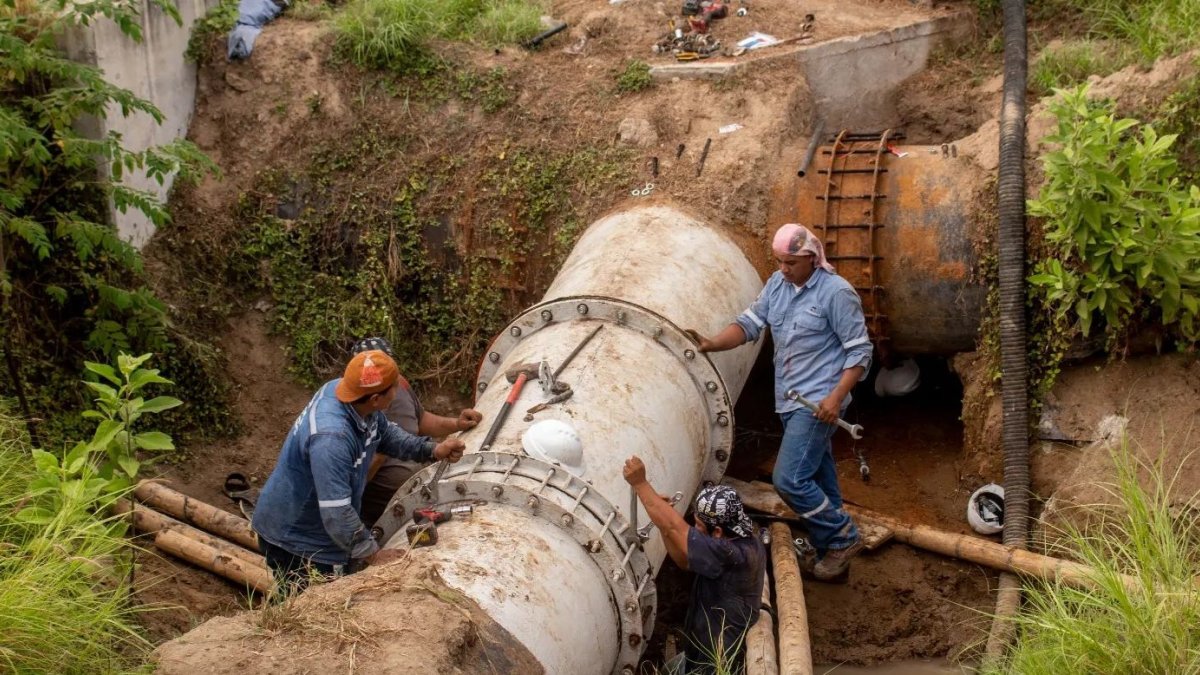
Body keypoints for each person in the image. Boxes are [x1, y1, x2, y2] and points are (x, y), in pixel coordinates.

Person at [690, 223, 873, 581]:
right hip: (789, 399)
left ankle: (843, 536)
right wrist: (711, 343)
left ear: (811, 257)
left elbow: (859, 352)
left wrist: (835, 398)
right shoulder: (778, 285)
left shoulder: (836, 293)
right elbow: (750, 324)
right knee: (819, 476)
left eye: (790, 262)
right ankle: (830, 558)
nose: (783, 269)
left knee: (789, 479)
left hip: (818, 402)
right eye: (779, 262)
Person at [252, 349, 466, 592]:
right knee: (310, 606)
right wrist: (372, 554)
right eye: (393, 388)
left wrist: (432, 450)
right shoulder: (331, 438)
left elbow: (385, 433)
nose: (397, 392)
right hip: (297, 540)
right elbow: (337, 511)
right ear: (375, 398)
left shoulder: (348, 395)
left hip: (318, 525)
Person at [623, 456, 765, 674]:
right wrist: (662, 522)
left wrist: (641, 484)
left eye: (698, 526)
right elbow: (684, 561)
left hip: (718, 655)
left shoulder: (731, 553)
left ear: (717, 531)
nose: (694, 530)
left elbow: (675, 528)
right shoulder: (739, 535)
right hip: (702, 640)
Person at [350, 337, 482, 527]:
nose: (380, 378)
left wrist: (457, 424)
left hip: (423, 481)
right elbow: (364, 468)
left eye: (385, 368)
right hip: (387, 504)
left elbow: (420, 420)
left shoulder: (399, 384)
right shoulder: (362, 406)